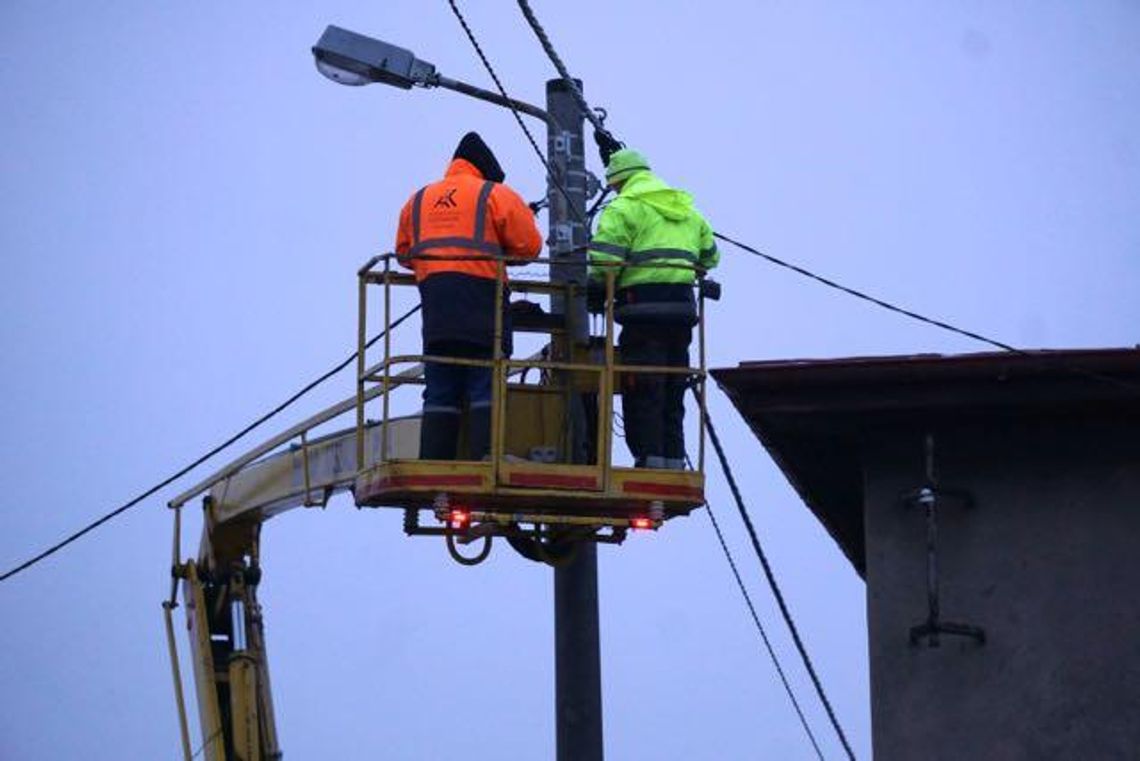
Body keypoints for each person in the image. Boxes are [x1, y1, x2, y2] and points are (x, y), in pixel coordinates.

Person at [395, 132, 543, 460]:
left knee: (440, 385)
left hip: (437, 308)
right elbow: (530, 247)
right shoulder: (495, 194)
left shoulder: (417, 199)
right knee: (484, 380)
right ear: (485, 169)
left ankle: (434, 458)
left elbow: (404, 254)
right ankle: (487, 455)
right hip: (482, 302)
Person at [588, 148, 719, 469]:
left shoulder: (624, 208)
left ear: (619, 181)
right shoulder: (687, 210)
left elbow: (605, 260)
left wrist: (595, 288)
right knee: (674, 384)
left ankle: (649, 458)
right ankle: (673, 459)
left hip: (641, 310)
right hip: (682, 312)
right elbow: (711, 256)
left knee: (643, 385)